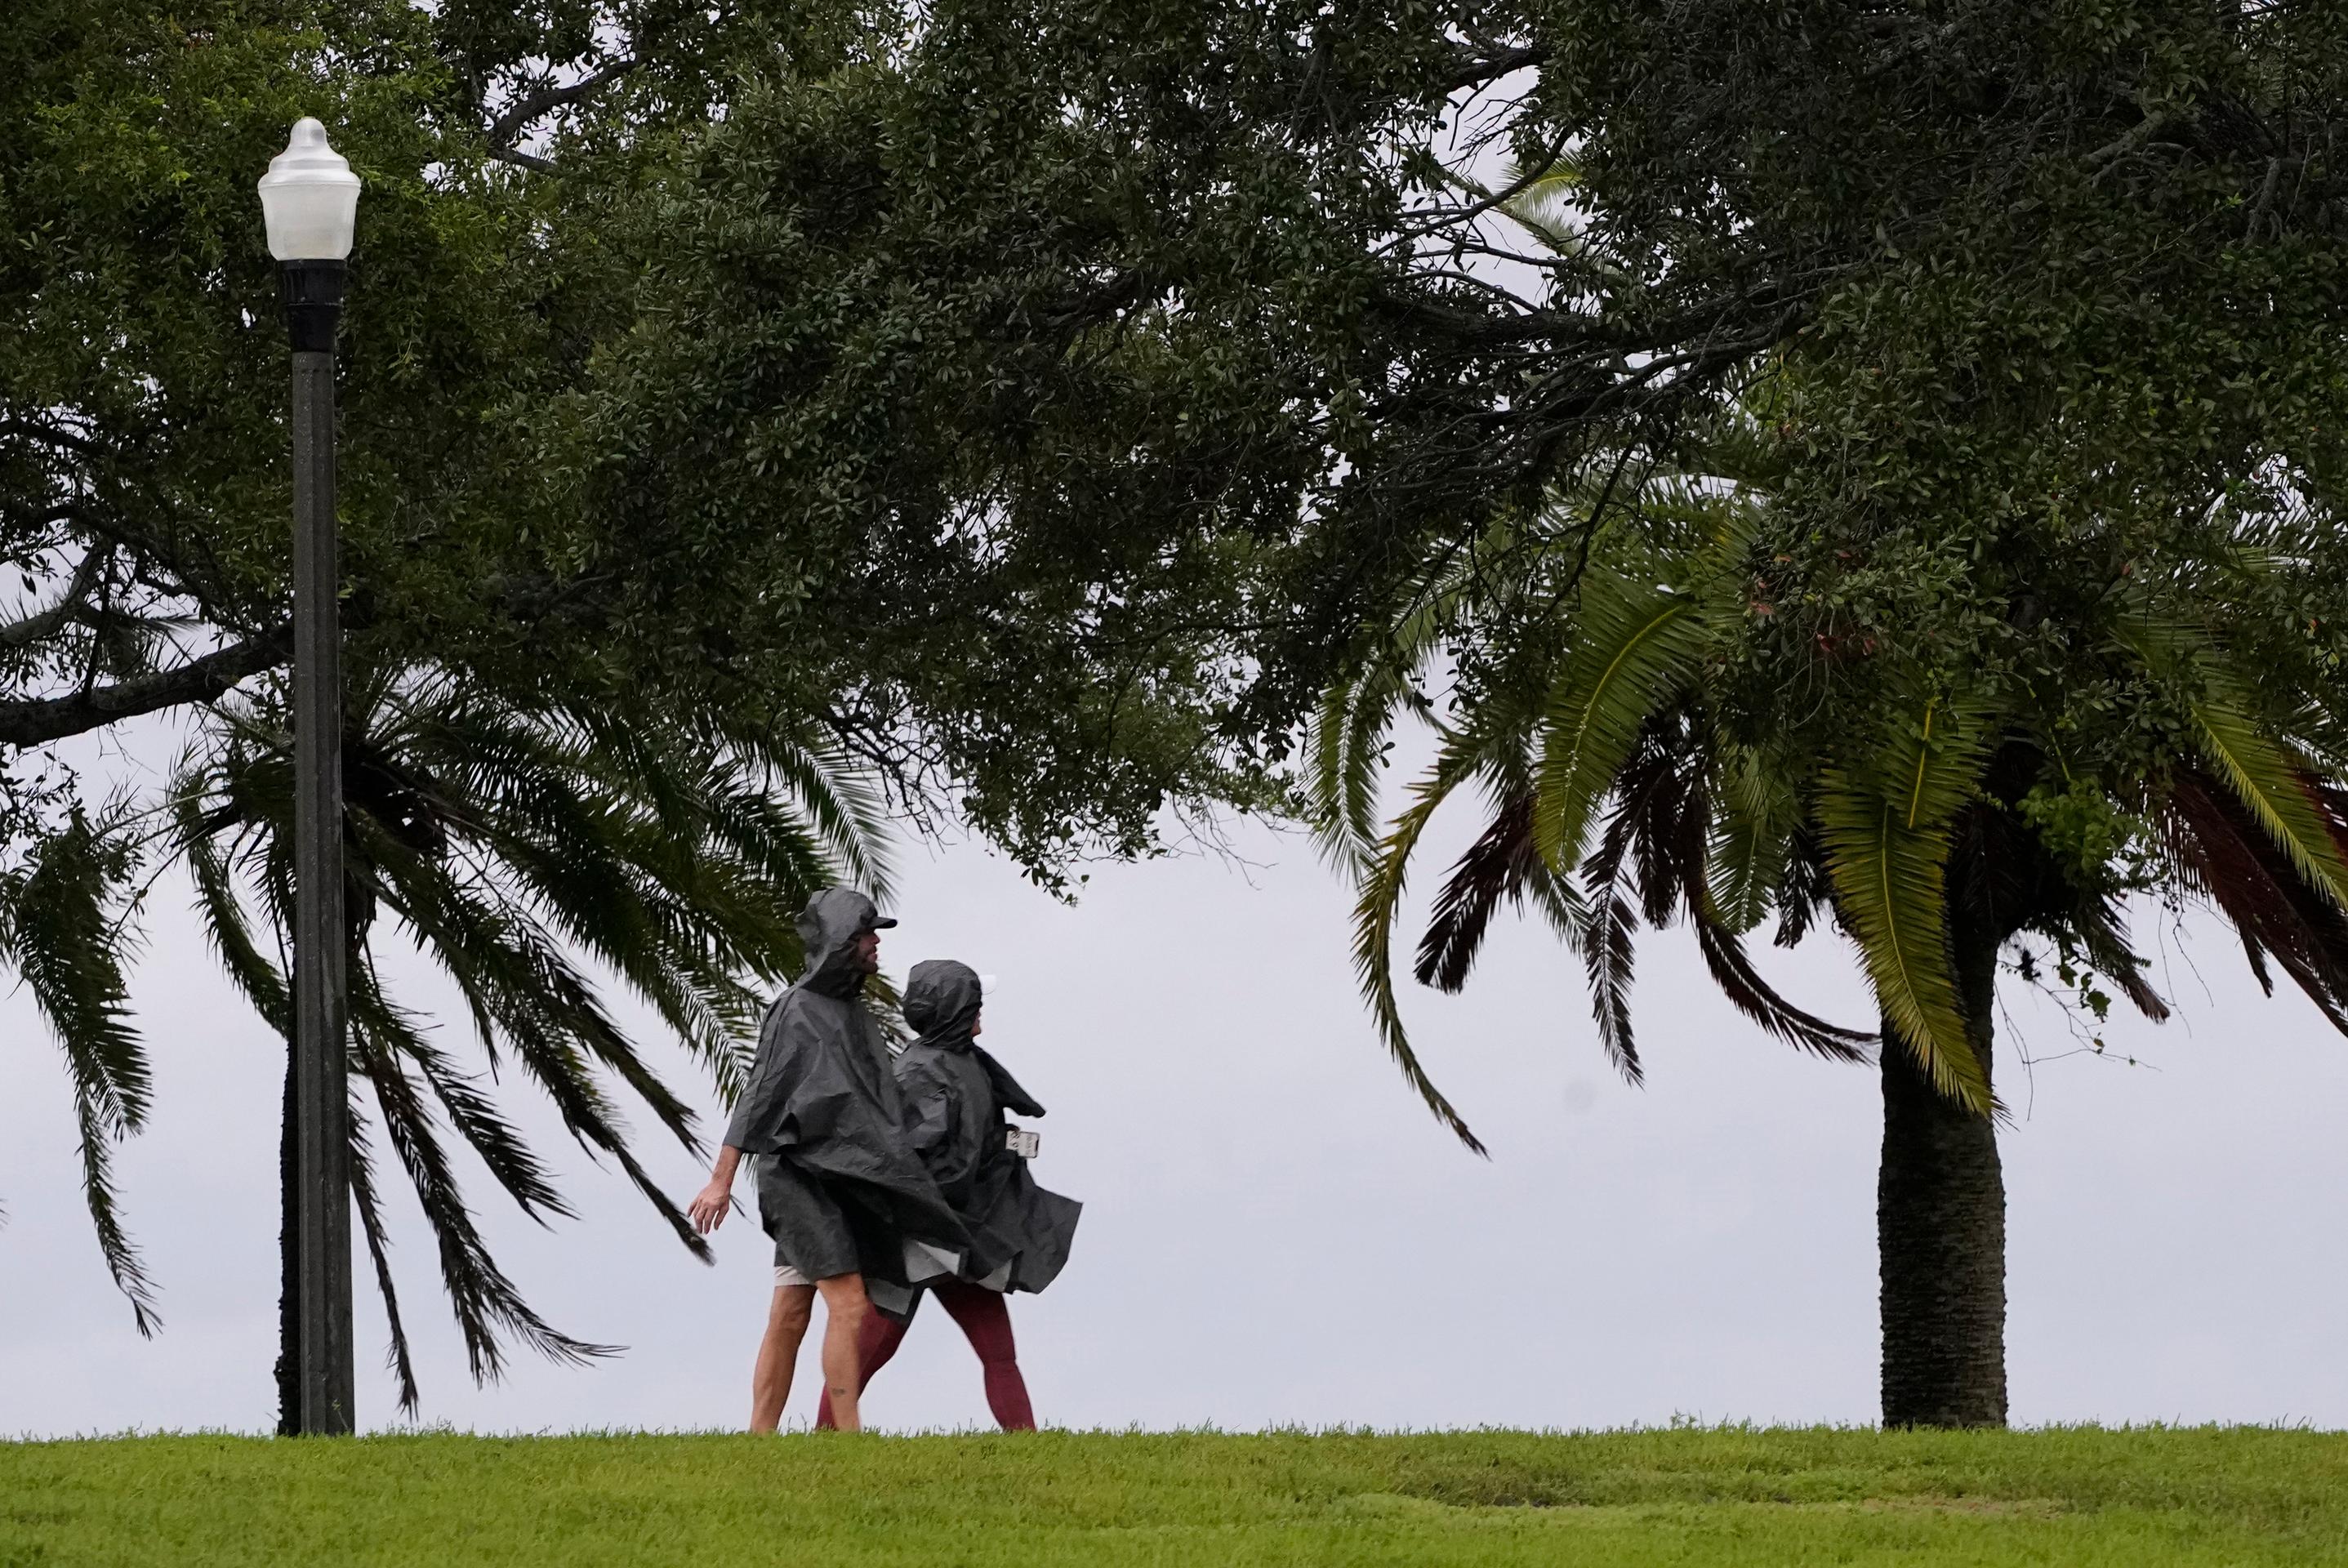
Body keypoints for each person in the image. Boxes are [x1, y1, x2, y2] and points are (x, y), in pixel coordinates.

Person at [687, 889, 969, 1433]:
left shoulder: (857, 1017)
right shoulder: (796, 1009)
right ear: (843, 940)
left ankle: (758, 1437)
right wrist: (720, 1181)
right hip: (799, 1181)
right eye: (869, 934)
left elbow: (884, 1104)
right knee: (849, 1305)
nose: (877, 944)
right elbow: (759, 1096)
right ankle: (846, 1435)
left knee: (790, 1313)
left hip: (845, 1182)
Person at [816, 960, 1081, 1431]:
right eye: (975, 1005)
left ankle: (1028, 1442)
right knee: (869, 1354)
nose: (981, 1014)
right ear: (957, 1012)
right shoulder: (922, 1073)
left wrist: (1003, 1145)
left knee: (994, 1352)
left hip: (954, 1233)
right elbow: (915, 1158)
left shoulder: (960, 1062)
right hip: (928, 1236)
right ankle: (821, 1441)